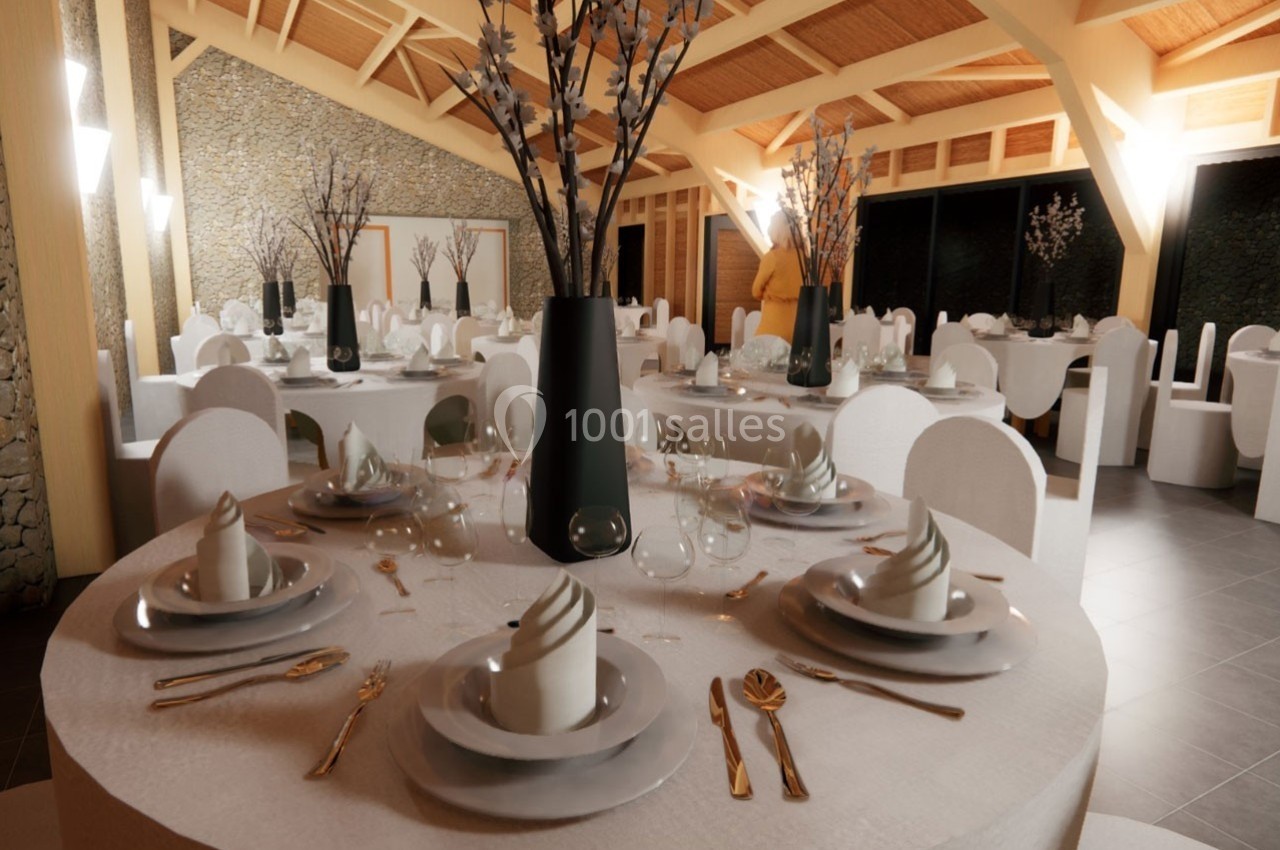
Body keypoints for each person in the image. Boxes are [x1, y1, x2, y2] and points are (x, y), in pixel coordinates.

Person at [750, 213, 804, 342]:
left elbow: (755, 291)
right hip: (796, 324)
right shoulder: (804, 258)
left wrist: (769, 293)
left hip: (773, 325)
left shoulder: (772, 257)